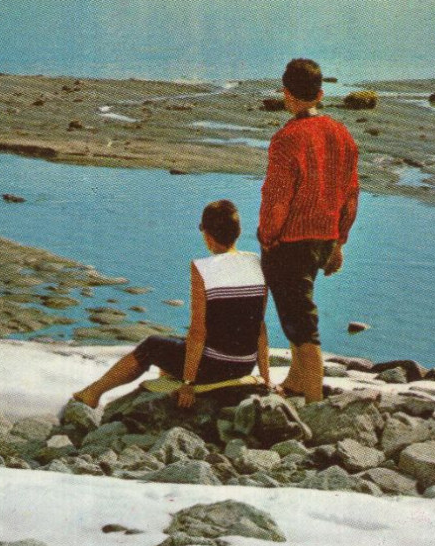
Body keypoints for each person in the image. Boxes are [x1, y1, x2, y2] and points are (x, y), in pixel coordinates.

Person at [73, 200, 271, 411]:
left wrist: (188, 384)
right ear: (238, 232)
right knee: (177, 343)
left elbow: (198, 331)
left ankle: (93, 393)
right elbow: (259, 327)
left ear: (207, 235)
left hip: (214, 367)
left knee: (152, 345)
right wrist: (266, 378)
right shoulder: (257, 263)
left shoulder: (202, 268)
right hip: (243, 365)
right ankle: (168, 380)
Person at [258, 57, 360, 403]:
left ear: (287, 94)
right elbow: (351, 192)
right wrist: (340, 240)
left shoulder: (287, 138)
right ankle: (297, 380)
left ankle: (313, 395)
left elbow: (276, 197)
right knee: (298, 306)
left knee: (299, 317)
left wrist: (267, 236)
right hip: (325, 235)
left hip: (291, 237)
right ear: (319, 93)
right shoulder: (342, 134)